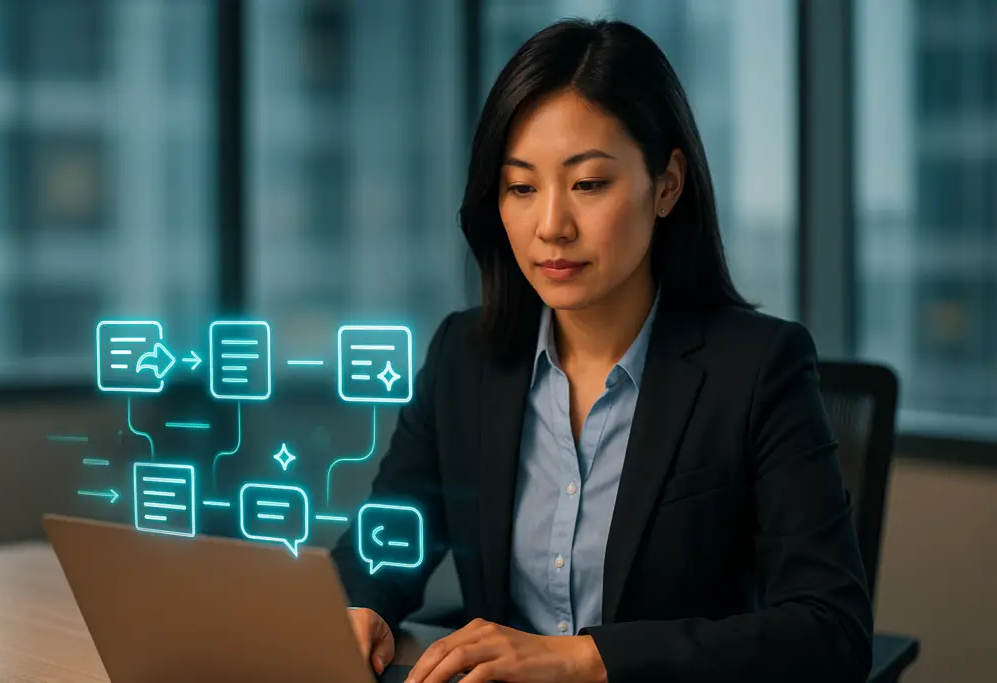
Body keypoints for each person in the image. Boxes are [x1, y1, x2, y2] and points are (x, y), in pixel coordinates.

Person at [332, 17, 873, 683]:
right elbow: (386, 541)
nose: (552, 225)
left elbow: (831, 630)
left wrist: (584, 660)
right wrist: (362, 605)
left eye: (588, 184)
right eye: (522, 187)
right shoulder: (463, 358)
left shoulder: (759, 369)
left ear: (667, 183)